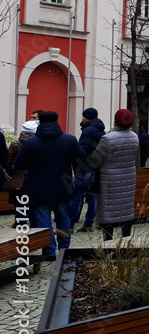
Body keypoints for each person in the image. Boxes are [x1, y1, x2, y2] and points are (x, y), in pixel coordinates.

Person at [12, 111, 77, 258]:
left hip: (39, 187)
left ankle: (48, 251)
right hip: (62, 185)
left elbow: (20, 164)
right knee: (63, 218)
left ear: (39, 122)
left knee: (43, 220)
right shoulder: (69, 140)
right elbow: (81, 162)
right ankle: (64, 250)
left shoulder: (30, 142)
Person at [87, 109, 140, 241]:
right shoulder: (134, 136)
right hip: (128, 178)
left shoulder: (108, 138)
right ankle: (126, 239)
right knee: (126, 209)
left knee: (108, 211)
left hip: (109, 180)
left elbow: (95, 160)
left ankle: (108, 241)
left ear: (116, 121)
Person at [71, 107, 104, 233]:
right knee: (91, 198)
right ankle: (88, 224)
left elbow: (82, 150)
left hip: (84, 168)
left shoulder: (88, 131)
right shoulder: (102, 131)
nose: (82, 118)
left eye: (83, 116)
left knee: (77, 197)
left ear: (87, 117)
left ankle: (69, 224)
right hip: (96, 168)